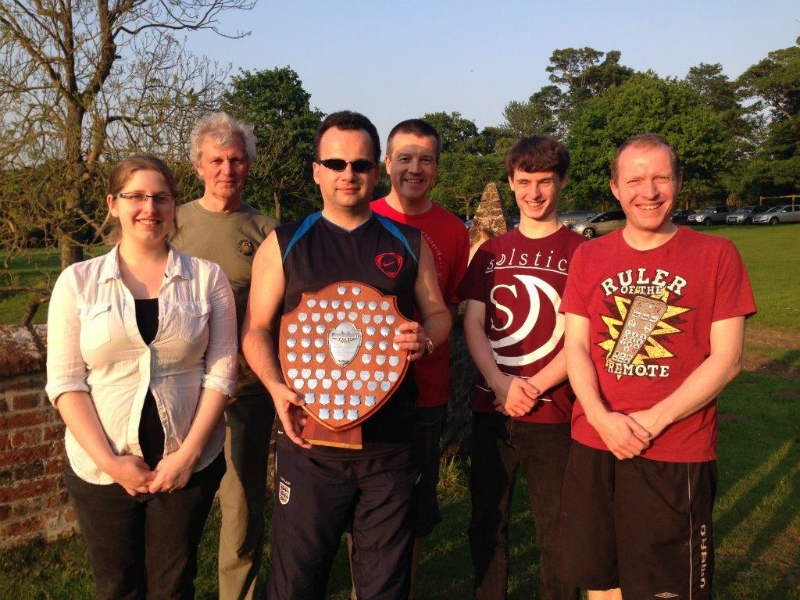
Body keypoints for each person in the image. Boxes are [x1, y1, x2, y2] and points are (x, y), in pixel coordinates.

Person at [242, 110, 452, 600]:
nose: (348, 174)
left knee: (384, 587)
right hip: (309, 444)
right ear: (316, 169)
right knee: (295, 583)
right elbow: (254, 330)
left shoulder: (407, 241)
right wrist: (276, 389)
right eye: (335, 163)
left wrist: (426, 337)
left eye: (359, 164)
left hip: (390, 444)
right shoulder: (284, 241)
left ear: (376, 172)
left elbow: (440, 314)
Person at [553, 134, 756, 600]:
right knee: (601, 580)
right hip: (595, 441)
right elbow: (577, 348)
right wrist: (604, 420)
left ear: (679, 183)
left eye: (661, 178)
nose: (649, 191)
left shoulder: (717, 254)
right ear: (615, 189)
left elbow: (728, 360)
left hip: (673, 448)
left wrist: (649, 422)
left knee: (665, 589)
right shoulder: (589, 255)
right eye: (636, 180)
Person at [46, 155, 237, 599]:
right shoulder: (78, 282)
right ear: (114, 204)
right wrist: (112, 464)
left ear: (174, 206)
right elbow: (66, 383)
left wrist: (187, 457)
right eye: (136, 196)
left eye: (161, 197)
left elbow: (222, 373)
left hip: (187, 462)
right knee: (116, 586)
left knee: (173, 586)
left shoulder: (208, 279)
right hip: (101, 466)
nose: (148, 208)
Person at [341, 118, 468, 600]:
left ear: (436, 167)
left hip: (424, 392)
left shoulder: (453, 231)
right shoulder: (356, 213)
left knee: (410, 511)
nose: (416, 168)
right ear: (386, 164)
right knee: (362, 508)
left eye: (427, 159)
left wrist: (428, 340)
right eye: (406, 158)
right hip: (359, 390)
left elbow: (448, 310)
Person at [458, 136, 583, 600]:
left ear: (562, 182)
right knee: (486, 522)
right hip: (491, 409)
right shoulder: (491, 251)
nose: (534, 193)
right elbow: (472, 320)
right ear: (511, 183)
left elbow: (581, 337)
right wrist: (498, 383)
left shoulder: (581, 251)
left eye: (545, 181)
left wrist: (530, 388)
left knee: (557, 529)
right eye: (524, 182)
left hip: (555, 412)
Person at [171, 112, 278, 600]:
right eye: (216, 160)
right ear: (198, 165)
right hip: (180, 390)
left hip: (245, 391)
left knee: (241, 506)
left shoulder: (267, 231)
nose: (226, 169)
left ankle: (238, 594)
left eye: (236, 159)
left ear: (248, 165)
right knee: (178, 503)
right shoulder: (172, 222)